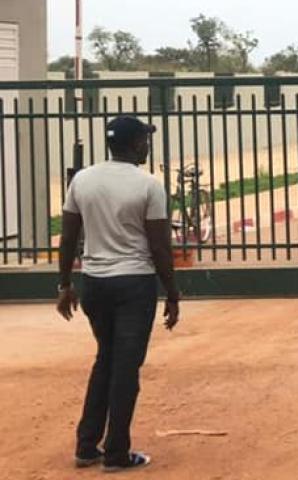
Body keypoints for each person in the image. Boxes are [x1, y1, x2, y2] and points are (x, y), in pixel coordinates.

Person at [56, 116, 180, 472]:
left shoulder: (83, 179)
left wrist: (65, 284)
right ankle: (116, 453)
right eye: (145, 139)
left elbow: (68, 238)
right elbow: (159, 247)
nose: (148, 145)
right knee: (126, 368)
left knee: (105, 359)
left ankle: (86, 446)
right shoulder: (148, 185)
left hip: (94, 283)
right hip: (134, 285)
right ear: (135, 144)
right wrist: (172, 294)